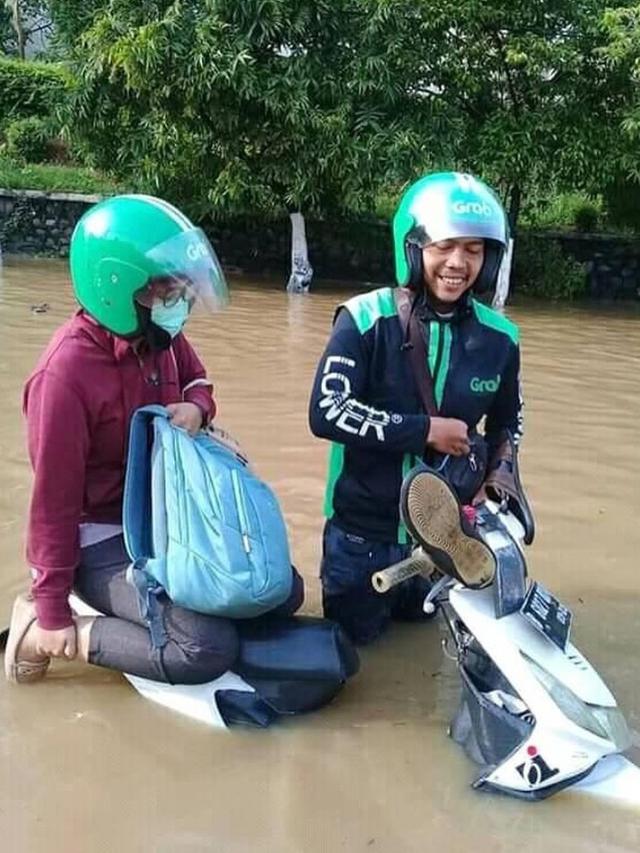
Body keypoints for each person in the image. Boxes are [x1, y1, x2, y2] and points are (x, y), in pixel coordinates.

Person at [5, 194, 303, 685]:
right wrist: (53, 605)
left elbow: (198, 382)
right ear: (118, 287)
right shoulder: (63, 376)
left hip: (165, 517)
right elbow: (52, 505)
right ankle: (39, 629)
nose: (179, 300)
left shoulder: (160, 337)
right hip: (100, 538)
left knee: (280, 591)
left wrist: (198, 408)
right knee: (205, 647)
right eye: (166, 288)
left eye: (181, 288)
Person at [308, 171, 524, 645]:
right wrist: (424, 430)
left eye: (473, 249)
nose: (457, 263)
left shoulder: (501, 339)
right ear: (413, 247)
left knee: (421, 652)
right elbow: (326, 411)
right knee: (354, 657)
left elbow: (508, 420)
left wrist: (499, 480)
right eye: (444, 246)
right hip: (360, 536)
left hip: (444, 541)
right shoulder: (364, 318)